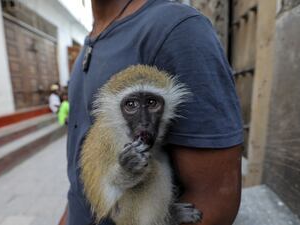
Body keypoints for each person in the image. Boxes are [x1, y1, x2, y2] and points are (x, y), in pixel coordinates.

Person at [66, 0, 243, 225]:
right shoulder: (90, 40)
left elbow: (216, 195)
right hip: (112, 204)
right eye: (131, 106)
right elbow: (81, 182)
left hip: (137, 210)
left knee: (155, 169)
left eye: (152, 104)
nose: (144, 121)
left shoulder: (178, 29)